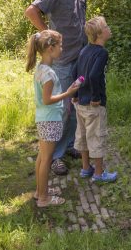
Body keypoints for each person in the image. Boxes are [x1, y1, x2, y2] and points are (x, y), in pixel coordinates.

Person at [24, 0, 89, 175]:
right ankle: (55, 157)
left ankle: (68, 145)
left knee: (73, 107)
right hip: (61, 61)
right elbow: (31, 11)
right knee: (60, 109)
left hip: (78, 58)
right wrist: (47, 35)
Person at [25, 30, 83, 207]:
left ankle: (39, 191)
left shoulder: (42, 69)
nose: (62, 49)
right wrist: (68, 93)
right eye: (60, 46)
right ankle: (44, 199)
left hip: (44, 118)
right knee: (47, 159)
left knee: (42, 157)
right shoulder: (48, 74)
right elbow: (47, 99)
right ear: (50, 48)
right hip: (50, 119)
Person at [74, 16, 118, 184]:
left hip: (80, 104)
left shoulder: (84, 50)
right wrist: (96, 98)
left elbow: (75, 72)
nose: (109, 28)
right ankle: (99, 173)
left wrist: (75, 95)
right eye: (106, 27)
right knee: (96, 137)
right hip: (93, 105)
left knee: (83, 136)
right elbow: (93, 75)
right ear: (100, 34)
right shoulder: (102, 53)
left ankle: (86, 168)